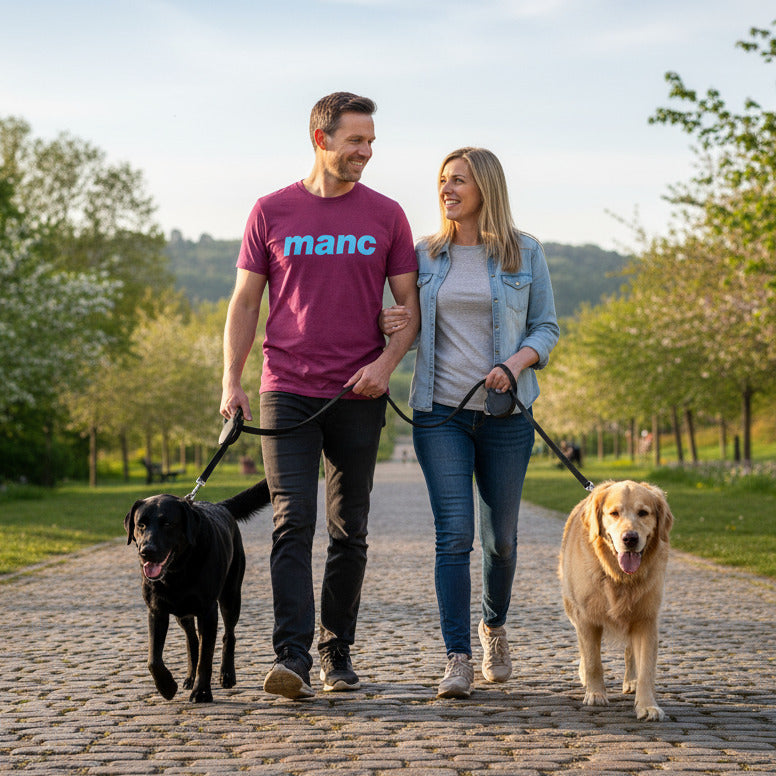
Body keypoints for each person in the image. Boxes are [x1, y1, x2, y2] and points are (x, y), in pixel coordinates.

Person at [221, 92, 419, 700]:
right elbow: (246, 302)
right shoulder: (271, 210)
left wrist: (386, 365)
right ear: (321, 138)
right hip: (286, 389)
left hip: (360, 393)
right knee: (291, 523)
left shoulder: (387, 216)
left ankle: (337, 651)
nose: (365, 153)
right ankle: (292, 657)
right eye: (355, 141)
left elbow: (410, 311)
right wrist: (231, 381)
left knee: (348, 528)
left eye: (371, 143)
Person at [381, 147, 559, 698]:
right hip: (440, 415)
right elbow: (403, 323)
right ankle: (457, 656)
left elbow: (546, 328)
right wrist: (384, 320)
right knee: (454, 535)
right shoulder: (424, 254)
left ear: (486, 187)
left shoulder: (525, 253)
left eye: (457, 180)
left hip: (507, 417)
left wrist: (514, 362)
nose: (446, 189)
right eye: (441, 180)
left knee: (500, 539)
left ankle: (493, 626)